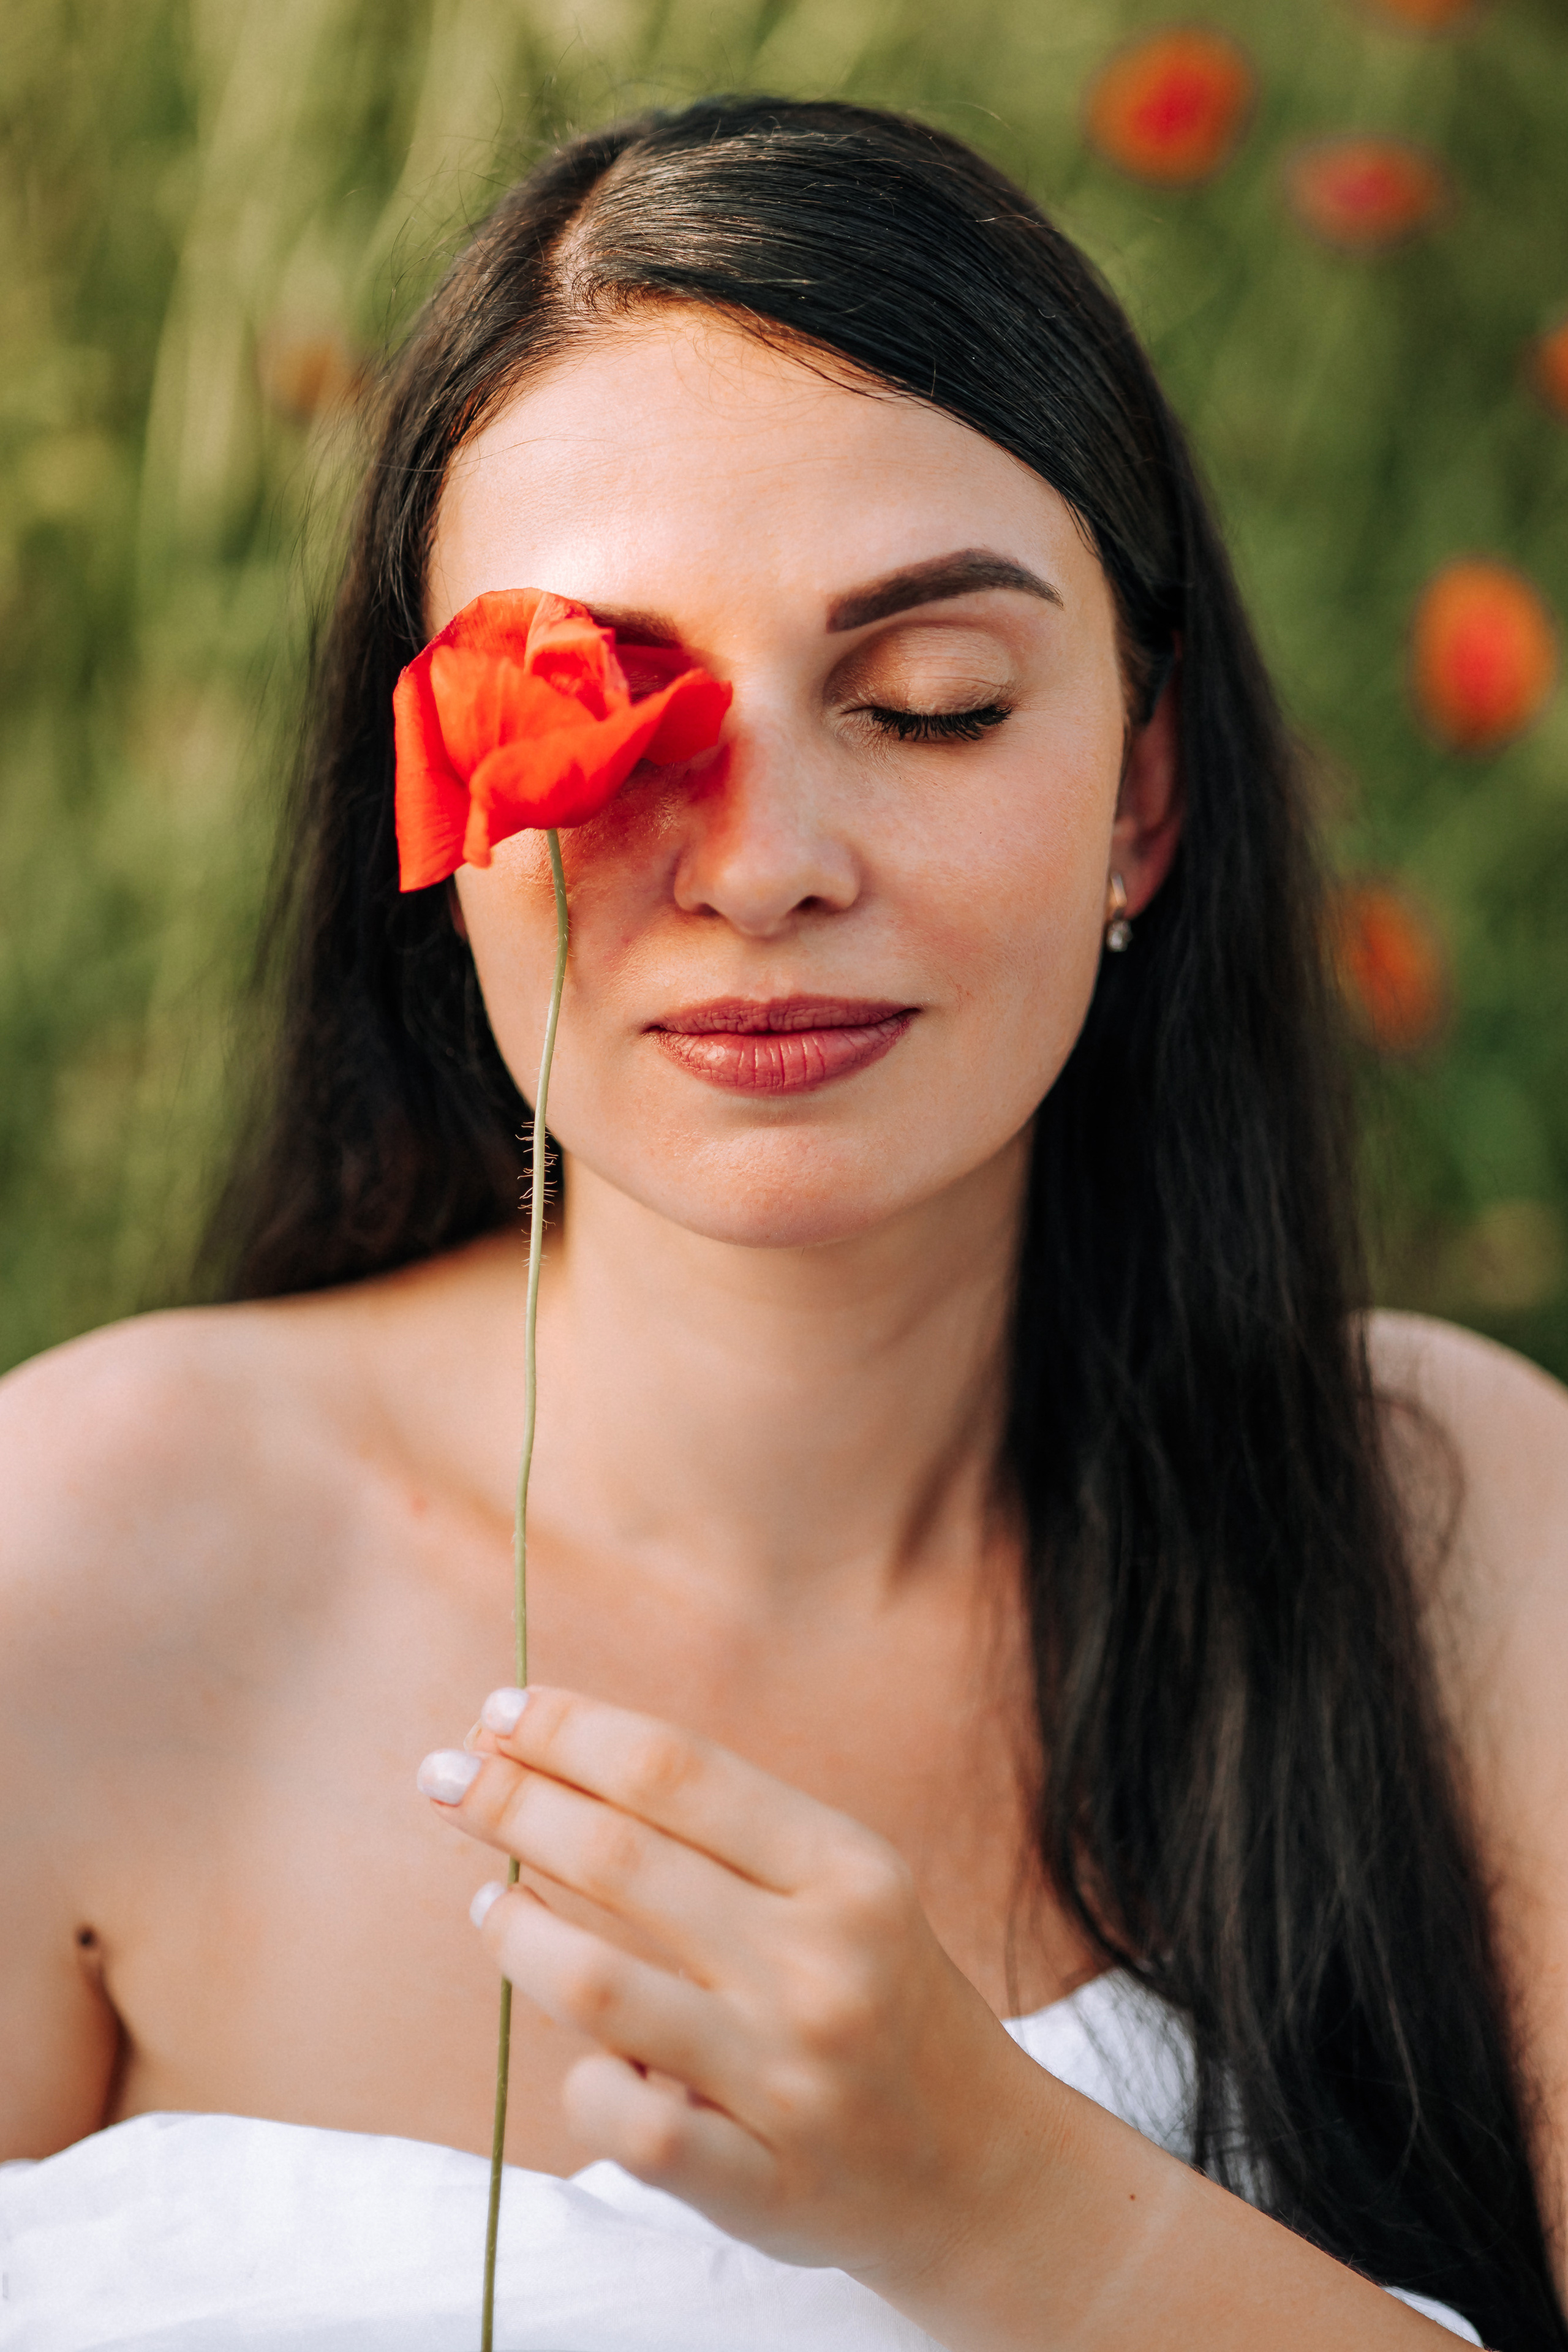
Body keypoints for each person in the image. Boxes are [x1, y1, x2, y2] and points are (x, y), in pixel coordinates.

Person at [2, 94, 1567, 2352]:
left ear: (1143, 794)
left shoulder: (1453, 1537)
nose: (765, 866)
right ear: (436, 812)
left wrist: (1008, 2205)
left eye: (929, 706)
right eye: (609, 714)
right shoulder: (88, 1561)